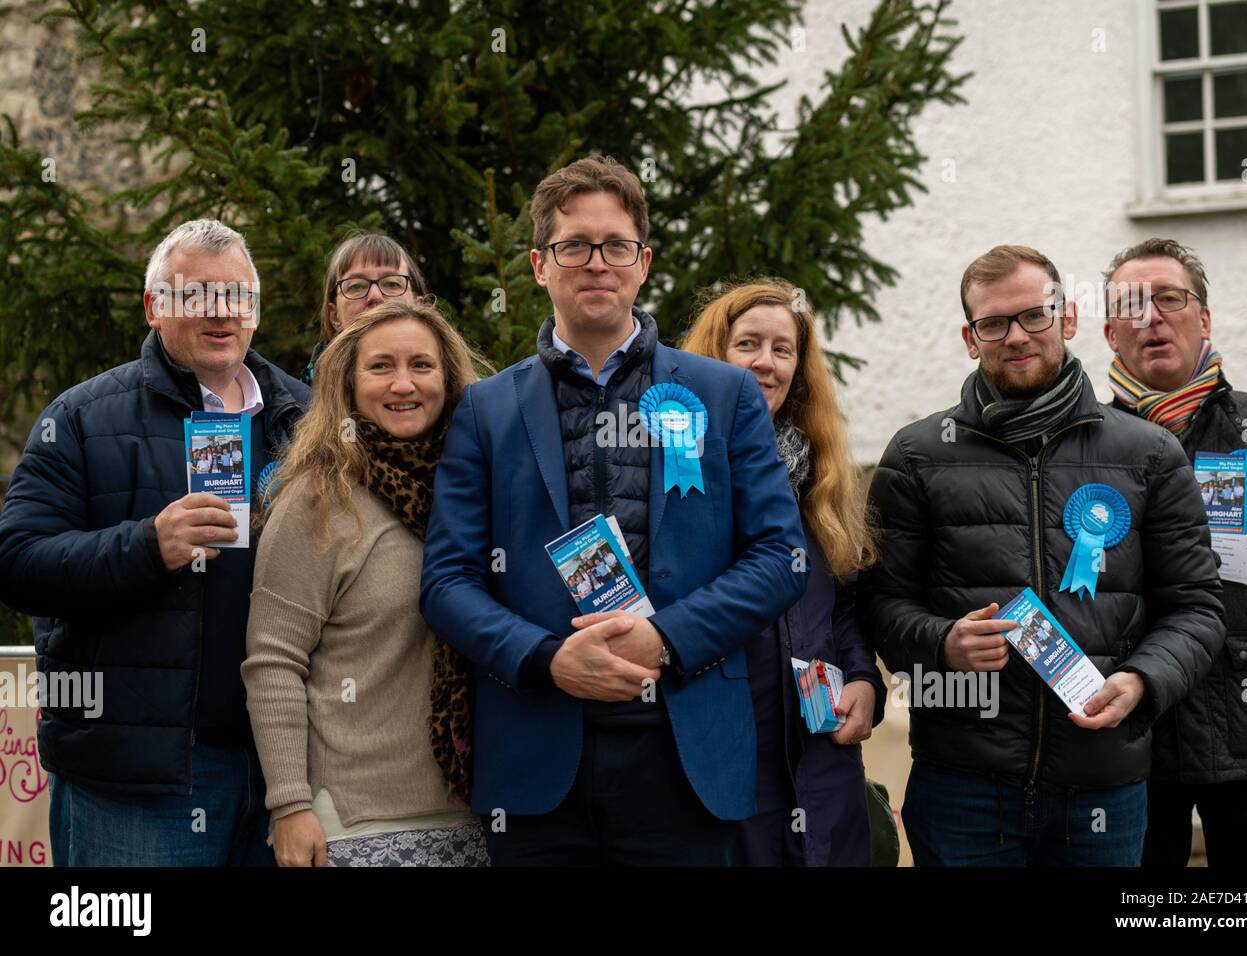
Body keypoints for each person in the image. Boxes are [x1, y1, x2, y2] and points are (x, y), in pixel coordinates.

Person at [421, 155, 807, 866]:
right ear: (541, 264)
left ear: (643, 262)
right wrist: (546, 660)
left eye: (616, 246)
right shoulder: (485, 409)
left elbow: (781, 557)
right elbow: (446, 582)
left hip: (683, 759)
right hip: (538, 758)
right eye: (574, 246)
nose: (596, 263)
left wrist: (667, 638)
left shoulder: (724, 395)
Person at [864, 243, 1225, 867]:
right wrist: (942, 641)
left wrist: (1142, 679)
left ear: (1068, 318)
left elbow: (1196, 607)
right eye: (993, 323)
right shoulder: (918, 454)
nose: (1016, 336)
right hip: (962, 785)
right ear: (970, 338)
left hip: (1103, 785)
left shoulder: (1150, 453)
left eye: (1034, 315)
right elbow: (877, 601)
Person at [0, 218, 310, 866]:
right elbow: (17, 562)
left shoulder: (306, 418)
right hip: (137, 782)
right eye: (195, 295)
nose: (220, 312)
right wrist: (145, 545)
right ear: (154, 307)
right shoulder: (82, 418)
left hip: (288, 771)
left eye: (237, 296)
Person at [243, 300, 488, 867]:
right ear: (347, 385)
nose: (403, 383)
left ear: (448, 379)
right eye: (381, 367)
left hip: (479, 817)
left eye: (422, 365)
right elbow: (273, 660)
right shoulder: (317, 500)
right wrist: (289, 805)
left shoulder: (475, 492)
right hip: (355, 826)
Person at [1102, 237, 1247, 866]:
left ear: (1205, 319)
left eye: (1170, 298)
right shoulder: (1084, 451)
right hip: (1132, 742)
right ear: (1110, 334)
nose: (1152, 317)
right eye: (1132, 306)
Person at [681, 277, 885, 867]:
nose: (763, 363)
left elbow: (844, 604)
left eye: (782, 348)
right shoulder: (673, 475)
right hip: (719, 757)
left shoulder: (821, 478)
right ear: (714, 355)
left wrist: (863, 680)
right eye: (747, 344)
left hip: (820, 761)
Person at [302, 231, 430, 385]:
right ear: (335, 316)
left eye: (391, 283)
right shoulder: (299, 405)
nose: (375, 296)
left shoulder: (461, 401)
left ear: (419, 305)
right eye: (356, 286)